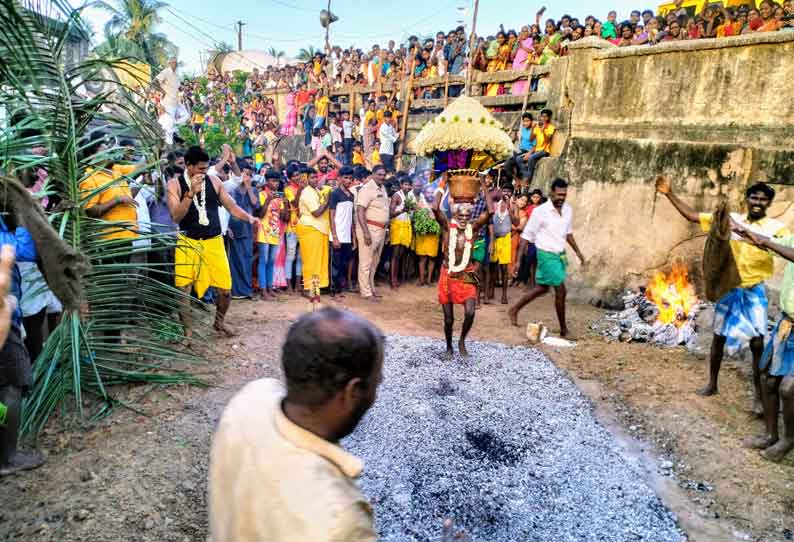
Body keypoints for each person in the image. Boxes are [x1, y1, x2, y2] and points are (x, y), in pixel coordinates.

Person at [209, 308, 382, 542]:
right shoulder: (341, 522)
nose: (375, 396)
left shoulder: (252, 396)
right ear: (351, 391)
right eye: (376, 384)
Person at [656, 177, 788, 408]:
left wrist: (743, 231)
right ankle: (712, 384)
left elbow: (773, 247)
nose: (757, 202)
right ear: (747, 199)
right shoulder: (729, 219)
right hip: (729, 288)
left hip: (753, 289)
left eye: (763, 199)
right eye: (754, 197)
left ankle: (758, 397)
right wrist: (669, 193)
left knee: (757, 343)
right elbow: (692, 216)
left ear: (769, 203)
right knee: (719, 337)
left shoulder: (777, 229)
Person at [166, 146, 257, 341]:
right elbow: (175, 216)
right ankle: (188, 334)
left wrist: (249, 218)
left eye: (206, 168)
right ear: (189, 166)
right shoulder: (174, 185)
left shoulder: (214, 181)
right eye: (200, 168)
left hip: (214, 242)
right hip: (187, 242)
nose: (204, 172)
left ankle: (219, 322)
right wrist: (190, 193)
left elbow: (231, 207)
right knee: (184, 290)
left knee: (225, 291)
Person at [736, 228, 794, 463]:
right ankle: (771, 435)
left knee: (788, 389)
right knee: (768, 378)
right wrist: (749, 235)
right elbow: (772, 243)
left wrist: (766, 242)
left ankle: (788, 440)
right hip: (786, 323)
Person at [508, 179, 586, 338]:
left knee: (542, 288)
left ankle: (514, 309)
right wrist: (518, 261)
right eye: (559, 194)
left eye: (564, 194)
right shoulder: (540, 211)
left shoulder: (568, 210)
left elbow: (568, 233)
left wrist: (578, 252)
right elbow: (526, 236)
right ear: (551, 192)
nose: (561, 198)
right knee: (561, 291)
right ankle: (564, 330)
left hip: (559, 255)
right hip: (545, 254)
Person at [431, 175, 494, 358]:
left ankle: (462, 341)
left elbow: (490, 212)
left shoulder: (473, 228)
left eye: (468, 215)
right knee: (448, 319)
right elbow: (435, 208)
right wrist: (443, 183)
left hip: (468, 272)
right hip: (448, 272)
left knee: (470, 311)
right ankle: (449, 347)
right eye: (461, 215)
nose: (464, 218)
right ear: (454, 214)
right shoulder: (446, 226)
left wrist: (483, 184)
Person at [0, 230, 46, 476]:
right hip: (3, 321)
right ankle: (7, 456)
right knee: (11, 385)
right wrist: (26, 217)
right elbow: (24, 251)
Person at [356, 165, 390, 301]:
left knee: (374, 262)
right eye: (379, 174)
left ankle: (370, 288)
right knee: (365, 262)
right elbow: (360, 211)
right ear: (373, 174)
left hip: (381, 230)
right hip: (369, 229)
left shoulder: (382, 188)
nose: (382, 177)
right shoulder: (367, 189)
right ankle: (366, 293)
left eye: (384, 175)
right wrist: (365, 233)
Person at [297, 168, 331, 304]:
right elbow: (316, 213)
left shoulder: (315, 190)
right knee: (311, 261)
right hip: (310, 228)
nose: (315, 180)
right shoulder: (307, 193)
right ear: (306, 179)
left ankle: (315, 289)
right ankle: (308, 289)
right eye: (312, 177)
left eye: (316, 177)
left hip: (319, 229)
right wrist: (327, 201)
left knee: (319, 262)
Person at [228, 164, 260, 300]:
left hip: (247, 229)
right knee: (234, 260)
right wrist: (227, 228)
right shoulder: (231, 190)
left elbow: (255, 205)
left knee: (246, 260)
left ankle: (247, 290)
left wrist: (248, 188)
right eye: (244, 174)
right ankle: (236, 291)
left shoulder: (253, 190)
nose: (245, 177)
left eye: (248, 174)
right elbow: (227, 210)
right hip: (233, 229)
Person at [257, 170, 287, 300]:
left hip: (275, 233)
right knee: (263, 261)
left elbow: (283, 217)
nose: (275, 183)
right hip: (263, 232)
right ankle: (263, 290)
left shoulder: (279, 198)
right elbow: (260, 214)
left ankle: (269, 288)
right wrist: (269, 199)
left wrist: (285, 204)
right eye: (273, 181)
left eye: (277, 181)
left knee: (271, 262)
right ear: (267, 181)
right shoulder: (261, 195)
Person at [329, 166, 356, 297]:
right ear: (339, 178)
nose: (348, 180)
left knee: (344, 264)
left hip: (347, 236)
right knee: (335, 265)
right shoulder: (335, 194)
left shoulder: (351, 196)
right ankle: (334, 291)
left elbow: (351, 218)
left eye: (350, 178)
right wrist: (334, 236)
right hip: (337, 235)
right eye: (345, 177)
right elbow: (331, 216)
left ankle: (339, 289)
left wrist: (354, 238)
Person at [413, 177, 440, 287]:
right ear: (425, 193)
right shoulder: (420, 202)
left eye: (432, 192)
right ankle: (421, 279)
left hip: (433, 235)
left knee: (432, 258)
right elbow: (416, 216)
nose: (430, 194)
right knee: (422, 258)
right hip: (422, 234)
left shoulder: (437, 204)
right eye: (428, 192)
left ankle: (429, 279)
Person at [489, 187, 513, 305]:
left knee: (504, 268)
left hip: (506, 238)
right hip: (495, 238)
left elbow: (517, 222)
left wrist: (510, 208)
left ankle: (504, 295)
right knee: (493, 267)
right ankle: (491, 291)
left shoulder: (513, 206)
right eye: (504, 191)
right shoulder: (494, 205)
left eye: (508, 192)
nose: (506, 193)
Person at [389, 176, 414, 289]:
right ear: (401, 185)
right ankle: (393, 280)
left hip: (405, 226)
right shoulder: (397, 195)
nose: (407, 187)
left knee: (400, 255)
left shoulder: (409, 196)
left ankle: (396, 278)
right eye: (405, 184)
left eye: (409, 185)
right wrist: (402, 210)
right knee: (395, 254)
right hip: (397, 226)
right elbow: (391, 213)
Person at [524, 109, 555, 184]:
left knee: (531, 158)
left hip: (545, 151)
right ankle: (525, 175)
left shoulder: (551, 127)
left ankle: (528, 179)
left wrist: (544, 130)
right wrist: (533, 128)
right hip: (537, 150)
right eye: (542, 116)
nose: (543, 118)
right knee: (519, 159)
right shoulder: (537, 127)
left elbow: (547, 141)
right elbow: (531, 139)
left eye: (545, 117)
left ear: (549, 118)